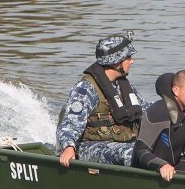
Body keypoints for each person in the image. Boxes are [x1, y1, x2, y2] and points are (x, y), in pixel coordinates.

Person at [57, 31, 148, 167]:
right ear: (116, 61)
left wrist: (170, 109)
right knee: (131, 153)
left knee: (156, 150)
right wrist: (69, 147)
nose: (132, 61)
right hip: (89, 147)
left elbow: (146, 109)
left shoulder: (122, 85)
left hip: (123, 142)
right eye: (128, 57)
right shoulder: (86, 89)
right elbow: (70, 123)